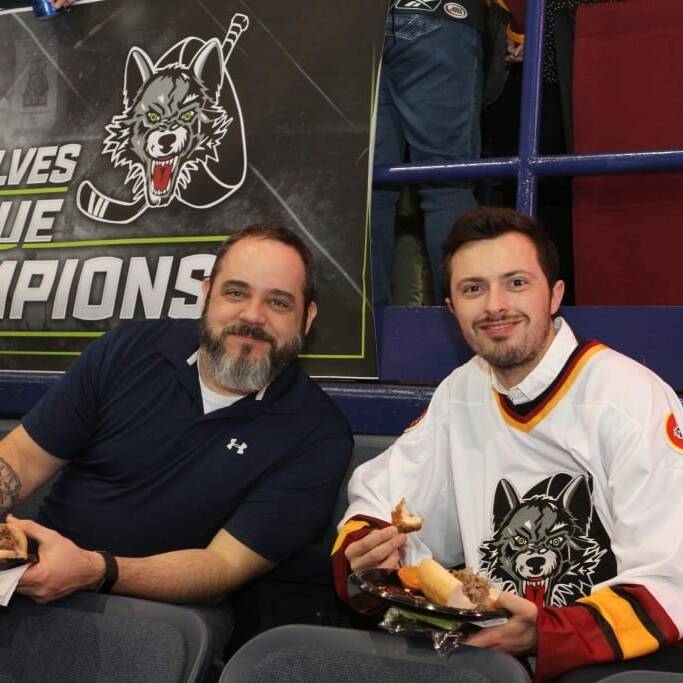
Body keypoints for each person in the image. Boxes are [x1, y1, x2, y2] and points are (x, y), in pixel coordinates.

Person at [333, 207, 683, 680]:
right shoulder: (461, 393)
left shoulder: (628, 396)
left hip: (614, 664)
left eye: (516, 283)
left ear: (555, 295)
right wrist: (368, 550)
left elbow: (671, 578)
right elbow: (385, 498)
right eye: (473, 288)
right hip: (493, 655)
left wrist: (549, 633)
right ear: (452, 308)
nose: (495, 305)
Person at [0, 224, 353, 608]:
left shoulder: (319, 436)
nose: (253, 316)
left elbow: (222, 567)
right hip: (32, 576)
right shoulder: (129, 349)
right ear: (206, 295)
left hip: (168, 615)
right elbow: (24, 458)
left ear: (307, 318)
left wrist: (96, 569)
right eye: (236, 292)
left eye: (279, 303)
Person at [371, 0, 525, 307]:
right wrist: (518, 25)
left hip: (353, 27)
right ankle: (464, 325)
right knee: (447, 183)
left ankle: (364, 336)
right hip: (441, 15)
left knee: (368, 190)